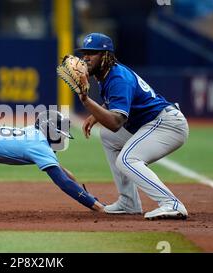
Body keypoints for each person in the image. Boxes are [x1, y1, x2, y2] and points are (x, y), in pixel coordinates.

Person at [74, 33, 189, 220]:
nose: (86, 57)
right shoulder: (108, 74)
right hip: (153, 123)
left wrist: (86, 101)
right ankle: (129, 202)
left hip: (166, 125)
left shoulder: (118, 77)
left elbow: (115, 123)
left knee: (127, 159)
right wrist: (95, 116)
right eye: (84, 53)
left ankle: (171, 204)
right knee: (109, 138)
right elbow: (118, 101)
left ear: (106, 56)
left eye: (92, 53)